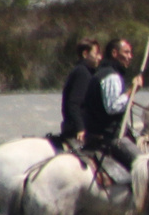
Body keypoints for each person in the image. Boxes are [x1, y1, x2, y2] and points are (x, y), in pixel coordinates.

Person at [81, 38, 143, 174]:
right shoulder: (111, 76)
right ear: (114, 53)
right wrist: (132, 90)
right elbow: (112, 107)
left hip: (98, 135)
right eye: (126, 52)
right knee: (144, 165)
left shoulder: (103, 72)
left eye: (131, 53)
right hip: (108, 139)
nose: (130, 56)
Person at [53, 40, 104, 150]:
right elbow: (74, 104)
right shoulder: (82, 72)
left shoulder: (87, 72)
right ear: (85, 54)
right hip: (76, 128)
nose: (100, 57)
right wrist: (80, 128)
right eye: (97, 54)